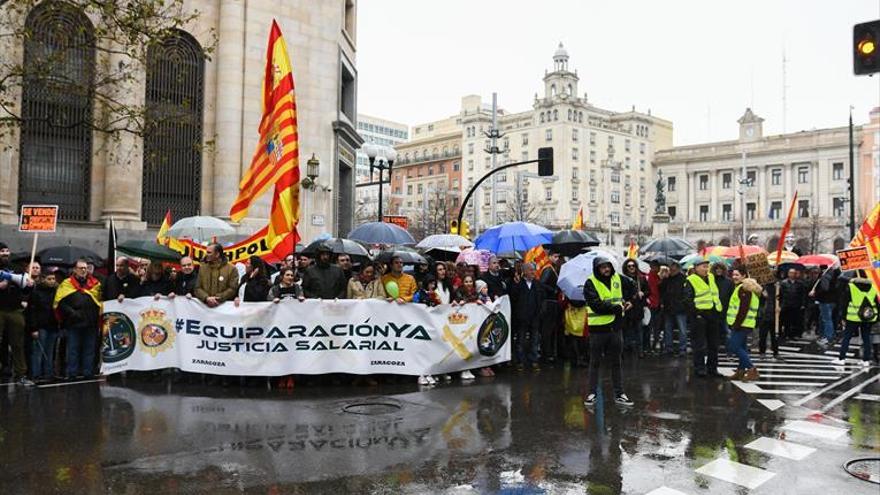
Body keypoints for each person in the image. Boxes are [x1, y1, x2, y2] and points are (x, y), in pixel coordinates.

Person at [583, 256, 636, 406]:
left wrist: (629, 301)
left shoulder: (618, 278)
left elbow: (633, 286)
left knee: (616, 362)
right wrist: (617, 308)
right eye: (602, 267)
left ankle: (620, 393)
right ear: (597, 269)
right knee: (595, 362)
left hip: (616, 327)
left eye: (608, 266)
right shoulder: (590, 283)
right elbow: (595, 305)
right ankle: (592, 393)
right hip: (598, 330)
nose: (606, 269)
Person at [54, 259, 102, 380]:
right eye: (81, 268)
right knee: (73, 349)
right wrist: (72, 313)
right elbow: (60, 302)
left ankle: (88, 372)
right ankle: (72, 372)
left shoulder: (95, 284)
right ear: (75, 269)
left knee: (89, 349)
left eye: (85, 268)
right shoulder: (66, 284)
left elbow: (100, 301)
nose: (83, 270)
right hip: (74, 323)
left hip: (90, 322)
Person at [0, 242, 34, 386]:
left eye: (7, 251)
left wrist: (29, 286)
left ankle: (21, 374)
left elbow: (25, 290)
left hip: (14, 310)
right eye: (2, 251)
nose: (5, 253)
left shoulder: (16, 269)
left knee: (18, 343)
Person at [684, 258, 724, 378]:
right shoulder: (691, 280)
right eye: (703, 267)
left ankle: (712, 369)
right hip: (700, 316)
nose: (706, 269)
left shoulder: (711, 277)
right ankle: (699, 369)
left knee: (714, 344)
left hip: (713, 313)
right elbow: (687, 299)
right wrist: (697, 313)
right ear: (696, 268)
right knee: (699, 344)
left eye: (707, 267)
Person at [832, 271, 877, 367]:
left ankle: (841, 358)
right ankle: (866, 360)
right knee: (866, 338)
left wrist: (842, 317)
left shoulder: (851, 287)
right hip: (868, 317)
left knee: (847, 337)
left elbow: (844, 303)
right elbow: (877, 303)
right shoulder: (873, 287)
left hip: (852, 316)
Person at [726, 269, 762, 381]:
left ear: (744, 276)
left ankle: (752, 369)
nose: (734, 277)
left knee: (734, 346)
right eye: (733, 275)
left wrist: (736, 324)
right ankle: (741, 371)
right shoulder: (747, 288)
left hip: (741, 324)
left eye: (737, 275)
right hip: (746, 323)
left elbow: (743, 309)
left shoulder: (744, 289)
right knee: (742, 347)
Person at [509, 263, 544, 371]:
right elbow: (513, 298)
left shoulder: (537, 284)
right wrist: (515, 284)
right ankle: (520, 361)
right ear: (524, 271)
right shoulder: (519, 284)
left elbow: (541, 297)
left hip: (534, 317)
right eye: (530, 270)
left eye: (534, 270)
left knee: (534, 339)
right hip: (522, 317)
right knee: (521, 340)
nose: (533, 272)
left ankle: (534, 360)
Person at [27, 271, 59, 382]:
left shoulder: (56, 291)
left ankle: (48, 373)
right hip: (40, 325)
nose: (52, 281)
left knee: (50, 351)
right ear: (43, 279)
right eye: (49, 279)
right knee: (38, 351)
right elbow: (32, 311)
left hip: (53, 325)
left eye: (53, 279)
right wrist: (33, 328)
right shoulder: (36, 292)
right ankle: (36, 374)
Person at [194, 243, 239, 307]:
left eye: (209, 252)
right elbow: (197, 288)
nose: (206, 254)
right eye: (206, 252)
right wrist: (206, 298)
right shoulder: (202, 268)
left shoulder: (232, 269)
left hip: (223, 309)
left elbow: (232, 289)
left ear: (217, 254)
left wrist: (217, 298)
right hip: (204, 308)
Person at [660, 261, 688, 356]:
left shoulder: (683, 279)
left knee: (682, 329)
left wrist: (682, 303)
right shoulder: (667, 279)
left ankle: (682, 349)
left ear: (678, 269)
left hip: (680, 308)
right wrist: (663, 279)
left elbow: (686, 293)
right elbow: (661, 290)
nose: (672, 270)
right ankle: (669, 348)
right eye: (671, 268)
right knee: (668, 329)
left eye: (674, 268)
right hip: (668, 307)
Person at [539, 251, 563, 363]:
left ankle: (549, 353)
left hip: (552, 303)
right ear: (549, 257)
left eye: (558, 256)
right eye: (555, 256)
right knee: (547, 330)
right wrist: (553, 290)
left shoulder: (553, 269)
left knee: (551, 329)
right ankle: (546, 354)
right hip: (548, 303)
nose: (557, 258)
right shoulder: (548, 269)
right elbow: (542, 284)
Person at [621, 259, 646, 357]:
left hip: (638, 308)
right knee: (626, 331)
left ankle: (640, 351)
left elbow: (648, 291)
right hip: (627, 308)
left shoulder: (641, 279)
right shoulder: (623, 279)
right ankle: (627, 350)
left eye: (633, 266)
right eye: (629, 266)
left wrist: (643, 293)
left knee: (639, 330)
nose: (631, 268)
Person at [810, 266, 839, 347]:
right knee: (825, 318)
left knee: (827, 320)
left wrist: (815, 293)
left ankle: (828, 338)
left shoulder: (825, 276)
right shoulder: (834, 275)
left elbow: (824, 288)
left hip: (825, 301)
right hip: (832, 301)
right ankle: (825, 335)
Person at [779, 267, 806, 340]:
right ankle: (785, 334)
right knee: (786, 320)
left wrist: (803, 304)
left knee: (795, 320)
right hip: (786, 304)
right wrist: (780, 304)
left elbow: (803, 295)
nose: (791, 274)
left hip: (796, 304)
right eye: (790, 273)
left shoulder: (800, 284)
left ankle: (793, 334)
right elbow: (780, 294)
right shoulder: (784, 283)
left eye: (793, 273)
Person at [712, 262, 734, 346]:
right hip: (714, 310)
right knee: (715, 331)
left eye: (720, 269)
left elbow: (732, 296)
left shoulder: (729, 282)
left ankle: (729, 348)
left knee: (726, 331)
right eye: (717, 268)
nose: (718, 270)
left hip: (726, 310)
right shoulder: (711, 281)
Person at [757, 280, 780, 359]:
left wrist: (780, 307)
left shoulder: (777, 286)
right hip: (764, 314)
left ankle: (776, 352)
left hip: (775, 314)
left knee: (775, 335)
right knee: (763, 335)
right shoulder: (761, 287)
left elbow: (782, 298)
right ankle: (762, 352)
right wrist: (761, 294)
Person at [645, 260, 663, 354]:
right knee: (652, 326)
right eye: (657, 267)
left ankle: (653, 345)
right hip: (652, 305)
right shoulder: (650, 277)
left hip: (656, 304)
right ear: (653, 267)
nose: (659, 268)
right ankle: (650, 346)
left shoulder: (656, 276)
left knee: (655, 326)